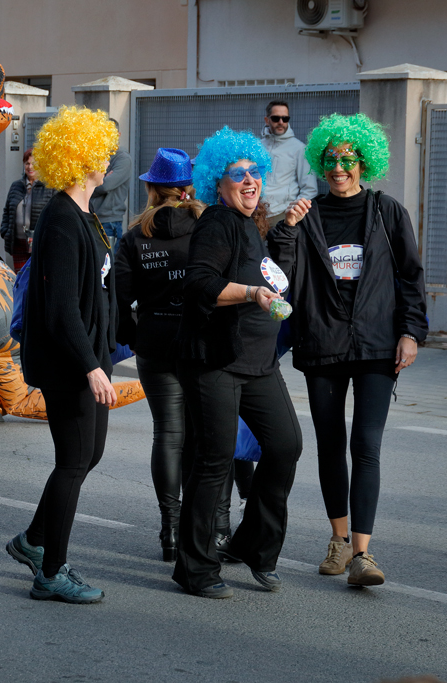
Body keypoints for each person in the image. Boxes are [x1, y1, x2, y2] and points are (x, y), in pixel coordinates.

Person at [267, 113, 428, 587]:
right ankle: (338, 541)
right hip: (322, 341)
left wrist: (411, 332)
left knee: (366, 445)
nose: (339, 168)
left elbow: (410, 276)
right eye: (331, 160)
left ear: (364, 162)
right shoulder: (307, 213)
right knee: (331, 444)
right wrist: (287, 227)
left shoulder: (386, 210)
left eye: (348, 159)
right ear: (321, 164)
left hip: (377, 343)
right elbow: (279, 275)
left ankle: (362, 553)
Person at [173, 126, 303, 599]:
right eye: (237, 173)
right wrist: (250, 294)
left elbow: (268, 275)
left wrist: (286, 236)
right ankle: (195, 568)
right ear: (218, 182)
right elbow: (199, 283)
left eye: (254, 171)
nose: (250, 180)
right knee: (213, 461)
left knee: (285, 445)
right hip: (217, 361)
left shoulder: (251, 224)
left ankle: (252, 547)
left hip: (259, 362)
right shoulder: (217, 222)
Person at [5, 106, 119, 604]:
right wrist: (90, 366)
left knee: (89, 455)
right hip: (69, 363)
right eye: (103, 152)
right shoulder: (60, 220)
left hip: (90, 355)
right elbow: (61, 307)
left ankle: (33, 539)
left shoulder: (85, 215)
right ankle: (51, 571)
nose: (108, 160)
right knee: (73, 461)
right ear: (81, 157)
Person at [114, 148, 204, 563]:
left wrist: (133, 337)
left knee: (167, 434)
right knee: (200, 436)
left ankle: (170, 528)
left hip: (154, 342)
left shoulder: (135, 236)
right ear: (188, 188)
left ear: (152, 188)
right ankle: (200, 527)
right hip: (199, 343)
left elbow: (119, 298)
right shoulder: (206, 227)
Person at [260, 101, 318, 227]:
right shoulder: (258, 146)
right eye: (276, 118)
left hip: (282, 215)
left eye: (285, 118)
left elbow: (310, 189)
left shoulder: (299, 149)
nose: (281, 122)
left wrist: (292, 212)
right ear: (267, 120)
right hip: (257, 213)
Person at [0, 148, 54, 272]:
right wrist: (5, 231)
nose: (30, 167)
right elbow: (7, 211)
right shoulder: (16, 186)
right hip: (18, 244)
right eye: (27, 163)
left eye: (34, 163)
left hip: (39, 244)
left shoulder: (49, 187)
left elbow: (54, 215)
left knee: (36, 278)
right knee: (20, 278)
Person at [89, 119, 132, 253]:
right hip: (92, 218)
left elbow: (104, 186)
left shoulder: (122, 158)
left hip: (108, 222)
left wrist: (91, 182)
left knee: (107, 263)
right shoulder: (97, 156)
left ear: (118, 135)